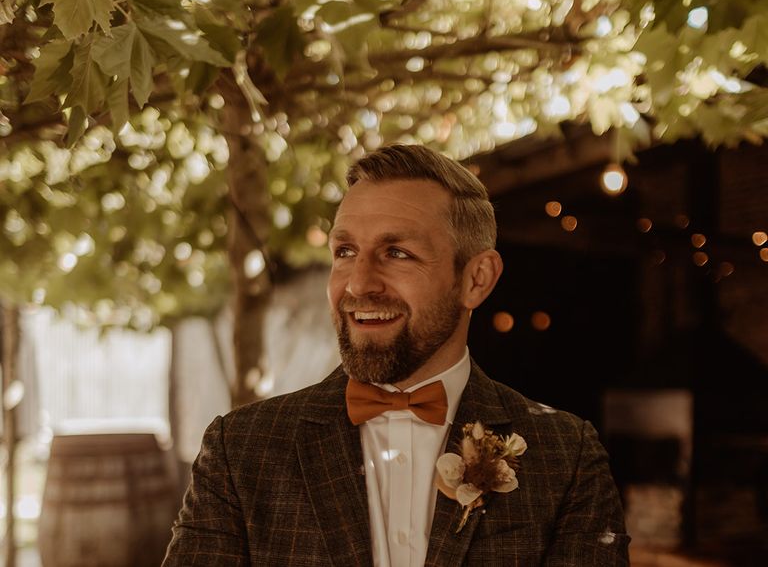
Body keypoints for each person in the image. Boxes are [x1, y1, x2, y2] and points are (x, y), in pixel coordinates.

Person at [162, 143, 629, 566]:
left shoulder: (566, 456)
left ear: (476, 279)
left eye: (398, 253)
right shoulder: (240, 449)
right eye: (345, 250)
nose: (359, 283)